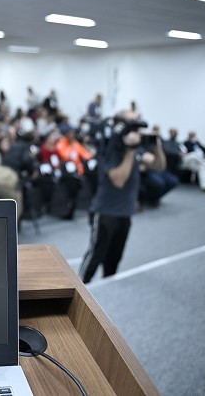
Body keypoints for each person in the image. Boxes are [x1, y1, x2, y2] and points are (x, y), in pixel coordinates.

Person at [80, 109, 166, 283]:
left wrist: (157, 146)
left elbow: (158, 166)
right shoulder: (109, 148)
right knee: (95, 256)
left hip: (125, 213)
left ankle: (107, 288)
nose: (136, 128)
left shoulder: (136, 148)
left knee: (114, 259)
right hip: (105, 213)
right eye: (132, 123)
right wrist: (130, 151)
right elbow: (118, 180)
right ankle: (78, 290)